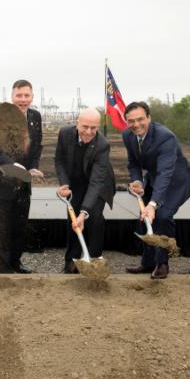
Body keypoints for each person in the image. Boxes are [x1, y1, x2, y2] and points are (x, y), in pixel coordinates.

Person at [123, 101, 190, 279]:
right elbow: (133, 163)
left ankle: (162, 264)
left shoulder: (165, 137)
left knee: (162, 216)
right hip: (155, 177)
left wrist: (153, 204)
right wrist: (138, 180)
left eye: (140, 119)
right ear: (126, 121)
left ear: (149, 118)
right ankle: (147, 263)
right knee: (144, 218)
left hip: (176, 180)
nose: (136, 124)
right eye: (131, 121)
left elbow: (166, 172)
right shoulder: (127, 135)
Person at [0, 79, 43, 274]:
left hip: (23, 182)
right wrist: (14, 166)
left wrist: (32, 167)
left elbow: (36, 148)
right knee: (2, 231)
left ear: (32, 97)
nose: (23, 100)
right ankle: (5, 271)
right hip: (0, 183)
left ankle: (16, 263)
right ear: (12, 97)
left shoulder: (35, 117)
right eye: (19, 95)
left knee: (19, 227)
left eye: (26, 95)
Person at [54, 108, 115, 273]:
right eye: (85, 127)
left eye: (93, 128)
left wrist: (84, 212)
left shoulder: (102, 145)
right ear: (77, 124)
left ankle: (94, 261)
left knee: (94, 218)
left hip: (99, 183)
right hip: (76, 181)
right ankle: (71, 263)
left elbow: (96, 182)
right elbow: (59, 160)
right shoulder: (65, 134)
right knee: (73, 221)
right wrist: (65, 183)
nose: (89, 132)